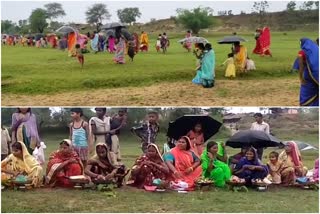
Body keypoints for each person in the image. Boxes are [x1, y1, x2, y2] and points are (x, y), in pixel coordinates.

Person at [296, 38, 319, 106]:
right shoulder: (316, 51)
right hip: (317, 75)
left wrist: (301, 77)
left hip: (308, 75)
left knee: (307, 92)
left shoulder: (302, 52)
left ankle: (305, 104)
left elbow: (301, 66)